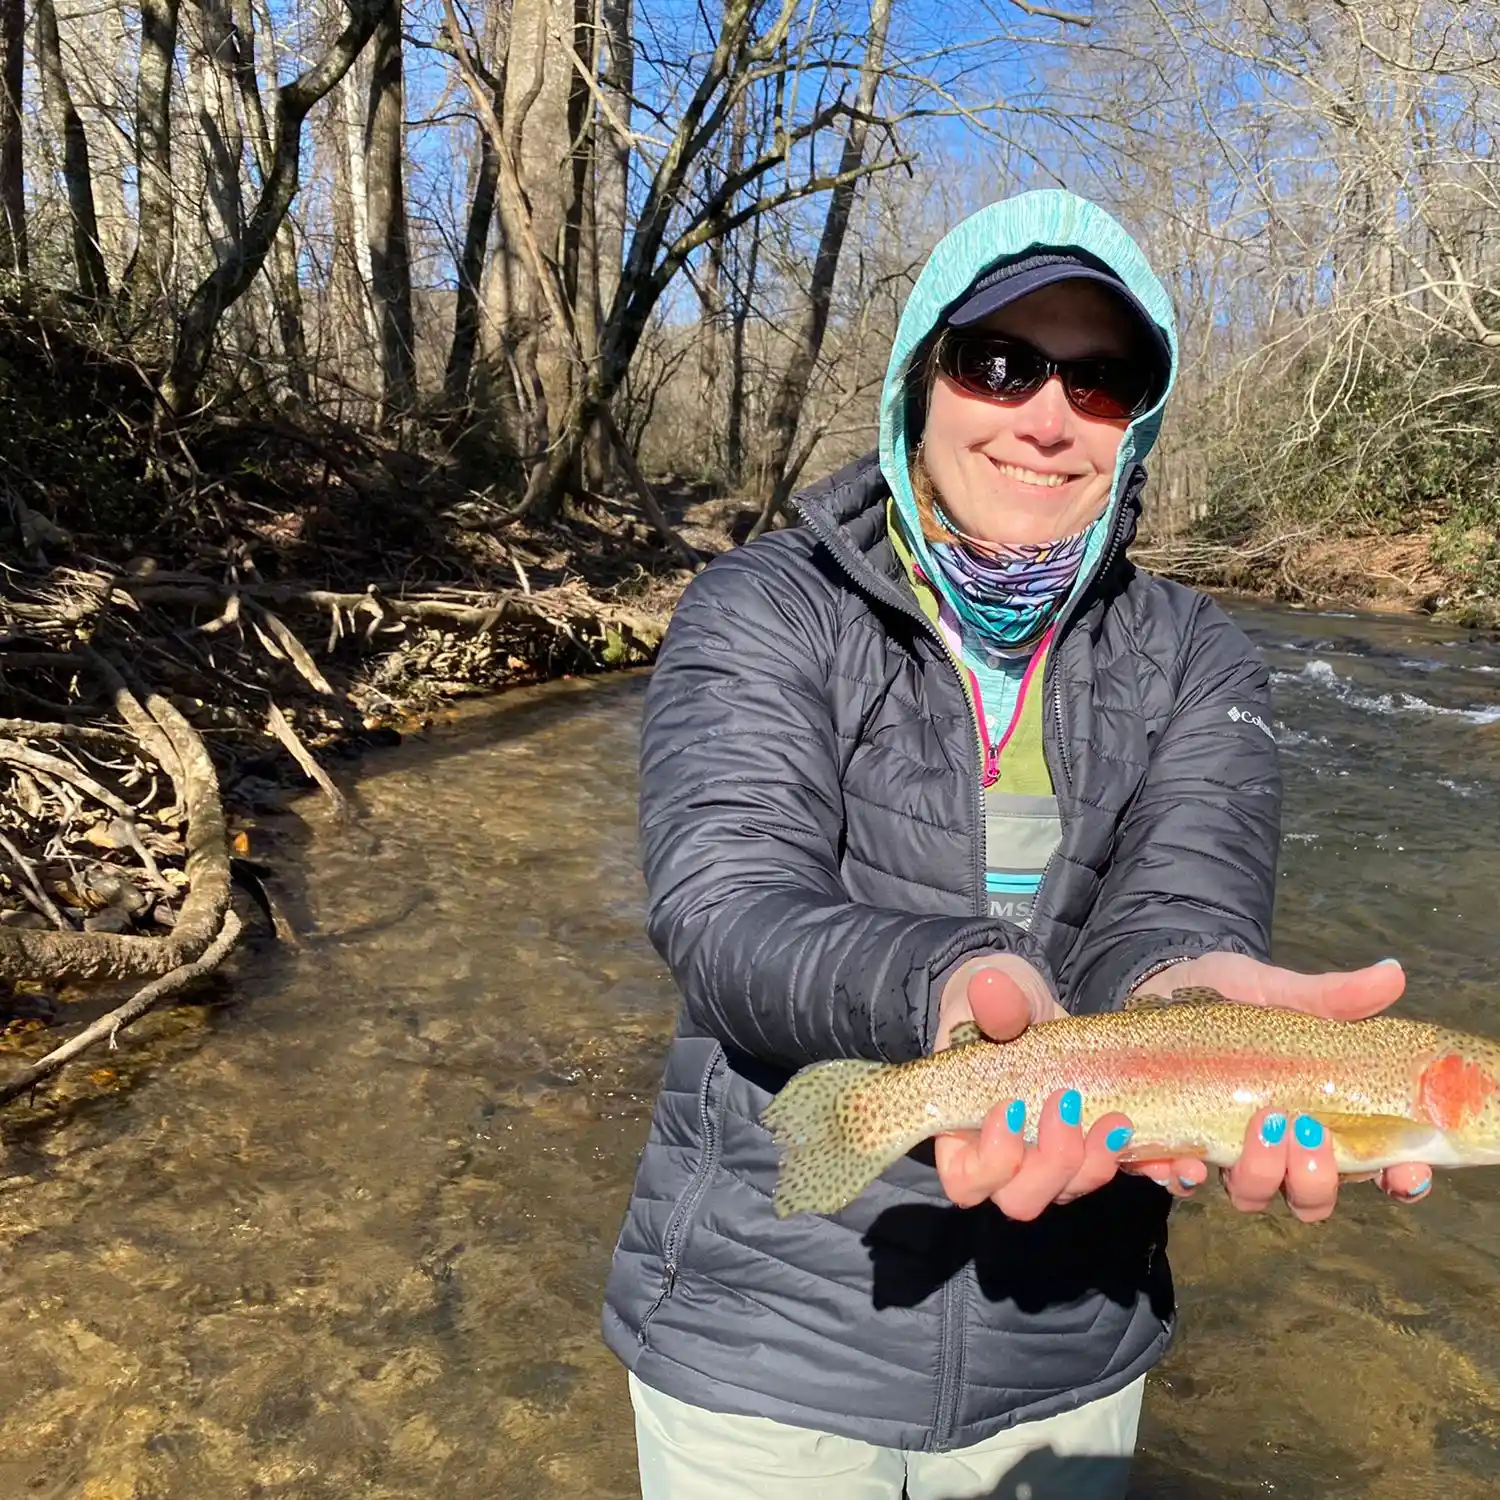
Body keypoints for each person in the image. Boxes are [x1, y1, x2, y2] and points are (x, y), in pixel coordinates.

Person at [601, 189, 1432, 1499]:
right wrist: (948, 986)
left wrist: (1194, 996)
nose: (1049, 415)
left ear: (1135, 421)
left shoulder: (1196, 657)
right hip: (765, 1331)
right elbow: (724, 906)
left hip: (1069, 1329)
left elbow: (1180, 907)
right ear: (920, 380)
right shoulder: (763, 610)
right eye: (1001, 362)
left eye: (1100, 383)